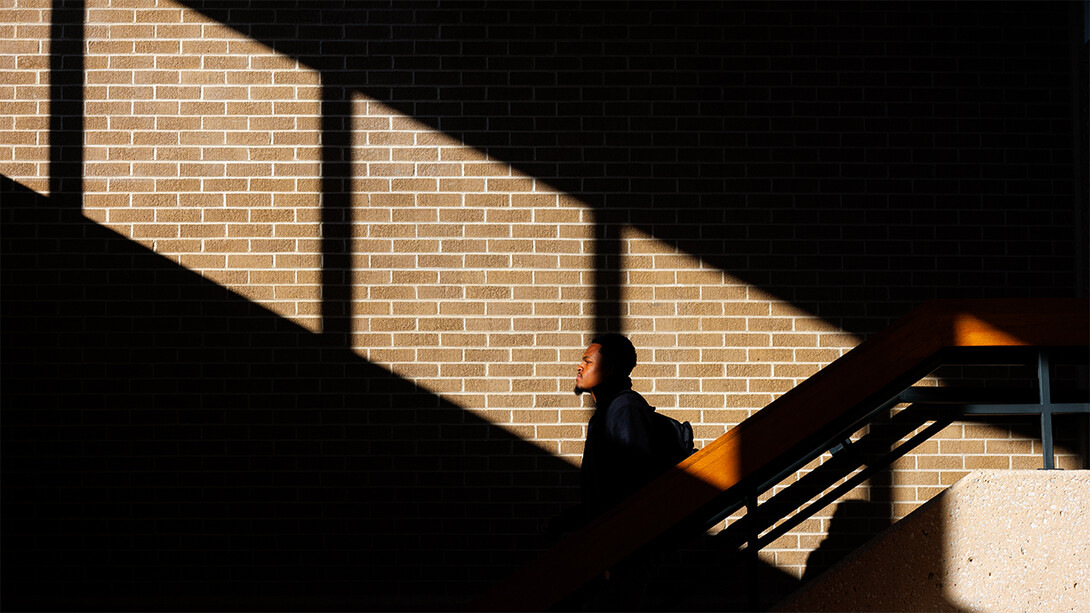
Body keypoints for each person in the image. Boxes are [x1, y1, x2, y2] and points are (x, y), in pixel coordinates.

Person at [544, 333, 667, 536]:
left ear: (609, 369)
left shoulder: (625, 408)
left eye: (588, 361)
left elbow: (635, 481)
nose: (579, 367)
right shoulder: (606, 413)